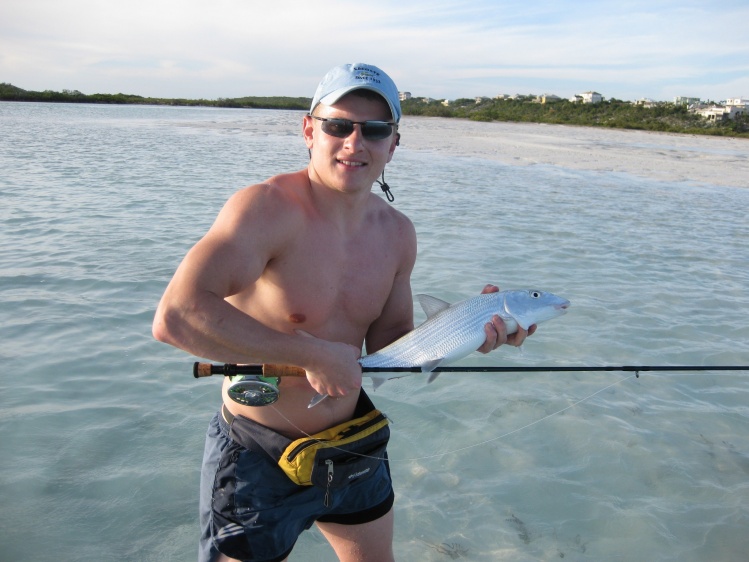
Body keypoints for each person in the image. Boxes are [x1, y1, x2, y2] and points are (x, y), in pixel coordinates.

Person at [152, 63, 534, 562]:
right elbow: (175, 317)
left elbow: (389, 345)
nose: (355, 142)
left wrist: (468, 331)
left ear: (393, 144)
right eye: (339, 125)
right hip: (256, 451)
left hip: (352, 441)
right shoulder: (264, 209)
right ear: (309, 129)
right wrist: (309, 353)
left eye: (375, 130)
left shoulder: (398, 233)